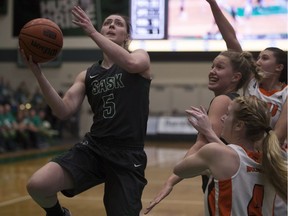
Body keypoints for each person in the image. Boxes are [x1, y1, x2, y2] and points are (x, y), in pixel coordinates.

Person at [22, 5, 151, 216]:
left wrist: (91, 31)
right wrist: (39, 74)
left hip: (127, 153)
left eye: (118, 24)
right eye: (107, 23)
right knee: (38, 185)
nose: (111, 25)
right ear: (102, 31)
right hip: (94, 148)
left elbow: (130, 63)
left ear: (127, 36)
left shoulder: (140, 57)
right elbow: (62, 110)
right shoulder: (87, 75)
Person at [144, 34, 259, 215]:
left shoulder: (222, 100)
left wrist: (170, 181)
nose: (212, 71)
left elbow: (202, 144)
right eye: (212, 66)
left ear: (236, 77)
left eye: (219, 67)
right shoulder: (236, 101)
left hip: (224, 181)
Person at [203, 0, 287, 214]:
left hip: (276, 158)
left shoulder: (286, 93)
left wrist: (260, 155)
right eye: (258, 58)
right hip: (248, 156)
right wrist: (213, 4)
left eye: (264, 58)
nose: (257, 62)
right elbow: (231, 38)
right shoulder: (252, 82)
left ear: (279, 67)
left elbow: (278, 134)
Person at [174, 96, 287, 215]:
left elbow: (179, 170)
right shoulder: (271, 160)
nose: (223, 118)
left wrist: (202, 136)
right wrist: (210, 133)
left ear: (239, 125)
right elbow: (236, 158)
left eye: (227, 114)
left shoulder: (217, 154)